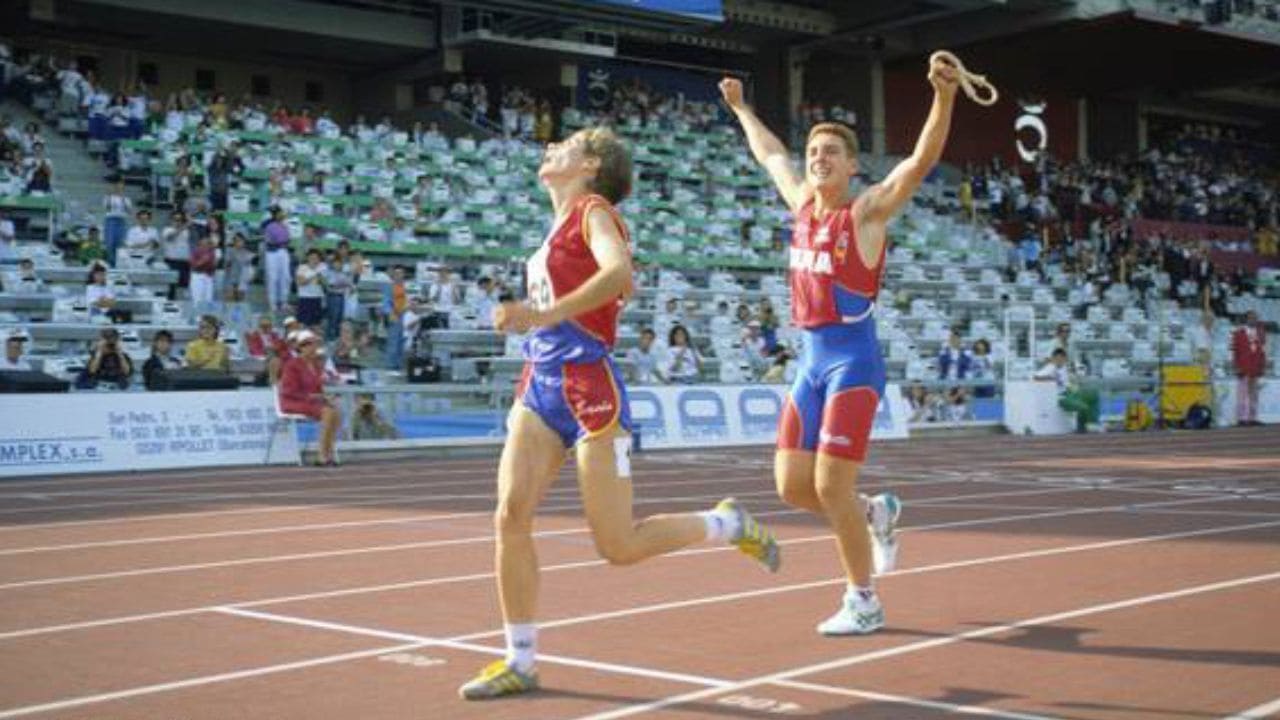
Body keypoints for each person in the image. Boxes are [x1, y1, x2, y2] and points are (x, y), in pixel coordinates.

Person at [457, 126, 780, 701]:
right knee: (509, 515)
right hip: (538, 385)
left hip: (590, 389)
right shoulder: (555, 226)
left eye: (567, 143)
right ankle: (519, 659)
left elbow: (619, 274)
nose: (550, 148)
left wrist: (540, 314)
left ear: (590, 165)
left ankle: (727, 523)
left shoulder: (593, 210)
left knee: (618, 546)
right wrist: (533, 321)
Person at [722, 56, 961, 634]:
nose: (817, 159)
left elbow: (921, 161)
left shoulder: (866, 214)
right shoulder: (801, 203)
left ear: (853, 167)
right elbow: (770, 153)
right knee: (792, 488)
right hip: (809, 364)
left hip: (854, 363)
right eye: (815, 152)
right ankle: (876, 513)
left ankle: (864, 601)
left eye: (831, 153)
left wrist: (945, 96)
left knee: (831, 486)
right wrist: (740, 108)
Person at [277, 329, 340, 465]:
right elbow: (289, 392)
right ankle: (321, 455)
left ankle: (328, 453)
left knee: (335, 412)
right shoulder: (292, 365)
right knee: (327, 412)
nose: (313, 348)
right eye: (309, 344)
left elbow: (318, 389)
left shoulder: (316, 365)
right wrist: (315, 397)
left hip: (311, 402)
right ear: (301, 347)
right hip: (292, 402)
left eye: (314, 344)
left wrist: (325, 397)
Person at [1033, 348, 1100, 432]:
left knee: (1093, 394)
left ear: (1065, 359)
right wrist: (1051, 378)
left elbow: (1082, 373)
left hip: (1074, 393)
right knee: (1082, 406)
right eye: (1056, 358)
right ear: (1053, 359)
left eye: (1061, 358)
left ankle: (1093, 423)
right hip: (1062, 396)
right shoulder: (1050, 368)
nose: (1059, 360)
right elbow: (1036, 377)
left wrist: (1075, 375)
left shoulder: (1070, 366)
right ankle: (1081, 427)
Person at [1231, 310, 1267, 426]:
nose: (1253, 320)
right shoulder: (1238, 333)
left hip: (1256, 368)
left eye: (1255, 318)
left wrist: (1262, 366)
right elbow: (1234, 352)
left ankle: (1252, 418)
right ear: (1246, 319)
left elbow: (1263, 351)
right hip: (1243, 367)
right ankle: (1241, 418)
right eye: (1251, 318)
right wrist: (1237, 367)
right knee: (1242, 394)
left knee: (1254, 395)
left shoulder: (1261, 333)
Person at [262, 206, 292, 312]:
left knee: (286, 277)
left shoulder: (285, 223)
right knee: (273, 278)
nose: (282, 214)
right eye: (279, 213)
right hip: (272, 252)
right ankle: (272, 303)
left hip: (283, 250)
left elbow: (288, 239)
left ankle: (283, 302)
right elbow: (265, 231)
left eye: (281, 213)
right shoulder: (268, 222)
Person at [160, 210, 191, 301]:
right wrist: (185, 226)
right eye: (175, 219)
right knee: (171, 288)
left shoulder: (187, 231)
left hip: (185, 262)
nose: (178, 222)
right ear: (171, 220)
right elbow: (170, 237)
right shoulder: (166, 230)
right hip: (171, 262)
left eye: (180, 220)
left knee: (184, 287)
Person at [101, 179, 132, 266]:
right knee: (110, 243)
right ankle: (110, 263)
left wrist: (122, 199)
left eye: (121, 186)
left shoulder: (126, 199)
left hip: (121, 221)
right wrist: (109, 195)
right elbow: (107, 208)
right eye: (117, 186)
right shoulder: (109, 197)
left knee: (119, 243)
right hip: (111, 220)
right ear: (115, 187)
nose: (119, 188)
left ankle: (118, 263)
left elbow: (129, 211)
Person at [295, 248, 326, 329]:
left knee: (316, 325)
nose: (314, 260)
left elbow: (325, 283)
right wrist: (314, 274)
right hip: (304, 298)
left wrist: (319, 275)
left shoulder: (322, 267)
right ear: (307, 258)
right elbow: (300, 282)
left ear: (319, 259)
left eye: (316, 258)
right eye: (312, 258)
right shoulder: (302, 267)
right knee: (302, 324)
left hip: (317, 298)